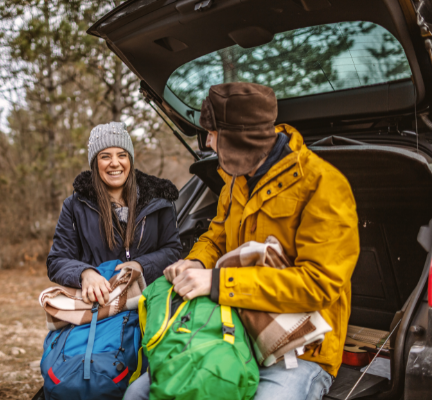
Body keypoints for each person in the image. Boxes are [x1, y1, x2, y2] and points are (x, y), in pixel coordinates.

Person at [125, 82, 359, 400]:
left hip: (302, 351)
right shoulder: (235, 181)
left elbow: (319, 285)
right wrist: (197, 261)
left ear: (240, 137)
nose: (207, 142)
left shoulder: (323, 186)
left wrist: (218, 282)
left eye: (212, 133)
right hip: (233, 329)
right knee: (141, 392)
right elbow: (215, 236)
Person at [47, 121, 182, 305]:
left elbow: (172, 251)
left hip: (152, 301)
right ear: (95, 162)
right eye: (105, 156)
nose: (115, 163)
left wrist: (140, 265)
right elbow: (57, 260)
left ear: (130, 160)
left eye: (122, 155)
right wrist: (85, 273)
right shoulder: (75, 206)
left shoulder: (159, 201)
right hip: (101, 307)